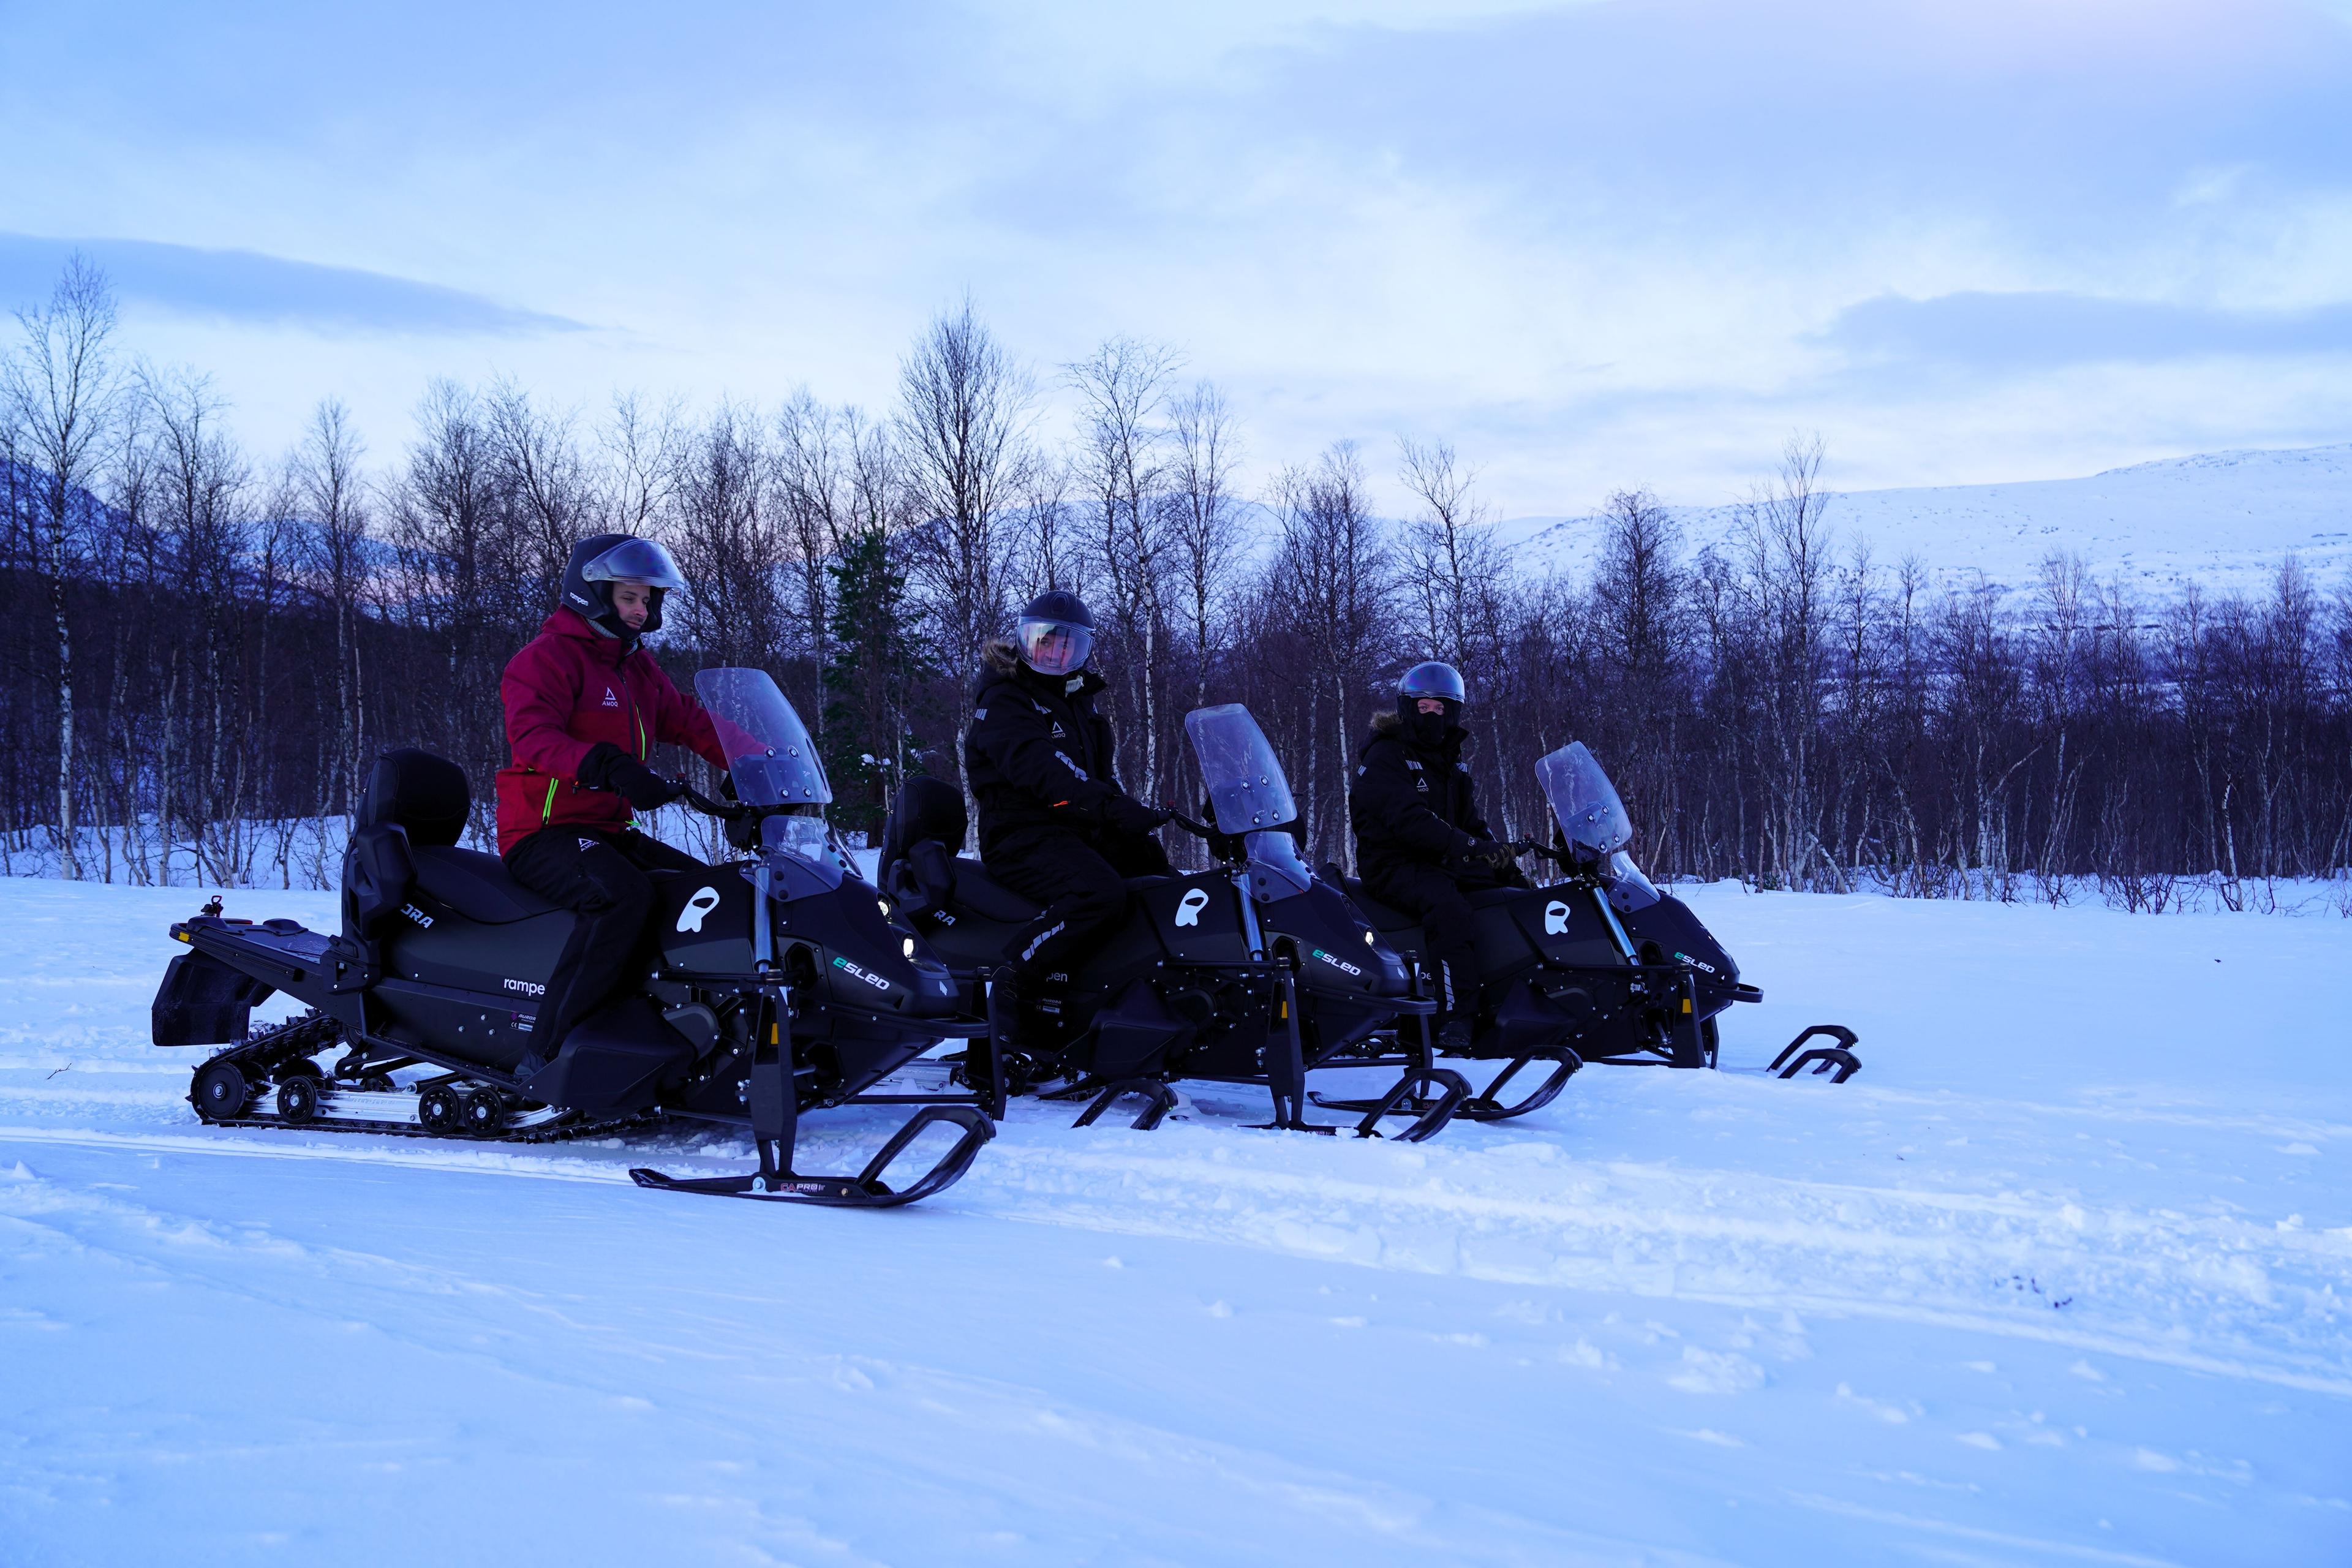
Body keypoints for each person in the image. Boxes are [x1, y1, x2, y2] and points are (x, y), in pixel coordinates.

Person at [496, 534, 733, 1062]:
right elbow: (533, 738)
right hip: (542, 833)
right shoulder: (545, 660)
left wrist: (753, 760)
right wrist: (608, 765)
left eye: (647, 600)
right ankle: (552, 1054)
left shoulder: (635, 666)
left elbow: (687, 720)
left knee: (702, 892)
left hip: (605, 830)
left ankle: (664, 1024)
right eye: (629, 597)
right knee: (622, 897)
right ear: (593, 594)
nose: (640, 609)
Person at [964, 590, 1172, 1030]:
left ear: (1083, 651)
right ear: (1024, 642)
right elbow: (1044, 770)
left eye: (1068, 645)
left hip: (1073, 829)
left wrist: (1131, 815)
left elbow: (1096, 775)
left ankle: (1144, 985)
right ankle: (1013, 979)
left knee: (1154, 869)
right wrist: (1112, 808)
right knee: (1098, 894)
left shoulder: (1079, 702)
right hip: (1021, 837)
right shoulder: (1005, 700)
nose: (1055, 653)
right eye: (1045, 641)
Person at [1348, 660, 1523, 1049]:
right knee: (1449, 908)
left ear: (1452, 711)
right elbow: (1410, 821)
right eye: (1423, 707)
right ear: (1408, 708)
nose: (1432, 715)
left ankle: (1516, 992)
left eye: (1440, 708)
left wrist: (1503, 861)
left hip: (1440, 857)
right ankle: (1456, 1017)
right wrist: (1472, 849)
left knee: (1513, 891)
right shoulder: (1386, 755)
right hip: (1393, 863)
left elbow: (1470, 820)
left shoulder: (1450, 759)